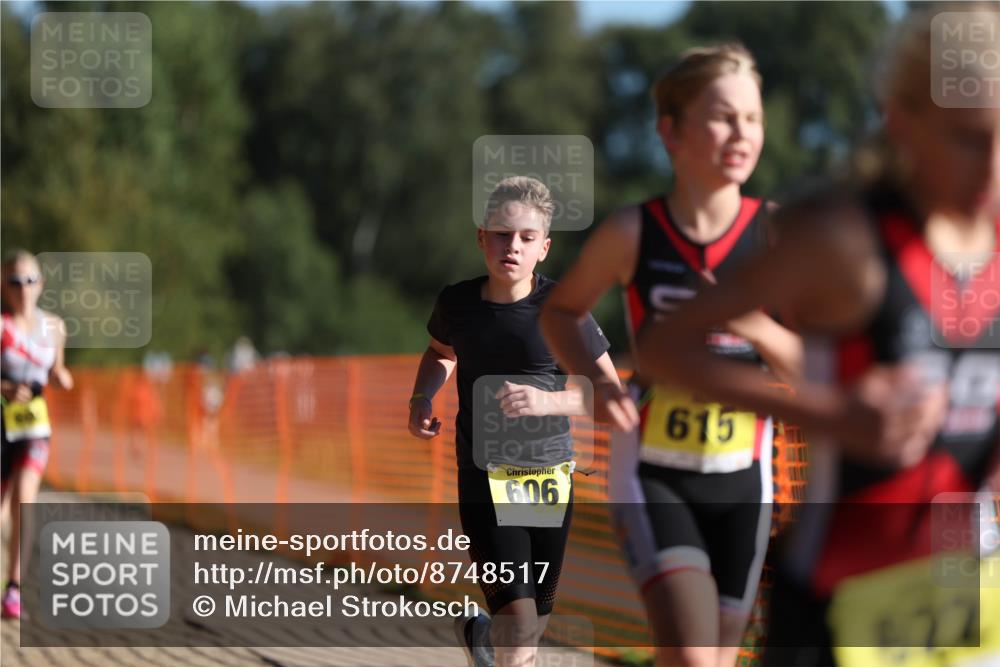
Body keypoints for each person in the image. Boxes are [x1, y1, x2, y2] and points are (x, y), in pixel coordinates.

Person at [634, 5, 1000, 665]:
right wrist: (833, 413)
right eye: (970, 139)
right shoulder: (844, 238)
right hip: (837, 609)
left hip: (960, 598)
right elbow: (664, 347)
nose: (993, 167)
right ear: (904, 121)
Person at [540, 44, 802, 667]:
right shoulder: (634, 232)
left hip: (746, 478)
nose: (741, 133)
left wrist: (754, 325)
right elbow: (561, 311)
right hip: (654, 473)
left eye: (753, 118)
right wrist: (601, 382)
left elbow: (813, 365)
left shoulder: (780, 238)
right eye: (722, 116)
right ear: (672, 132)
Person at [408, 176, 622, 667]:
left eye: (527, 238)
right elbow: (440, 354)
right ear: (481, 237)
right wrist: (422, 397)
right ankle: (498, 643)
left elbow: (612, 395)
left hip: (548, 480)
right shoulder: (456, 304)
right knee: (521, 632)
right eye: (503, 234)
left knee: (531, 626)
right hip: (483, 477)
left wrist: (550, 403)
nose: (513, 246)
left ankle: (483, 639)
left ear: (544, 248)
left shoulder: (563, 311)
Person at [0, 249, 74, 619]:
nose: (23, 288)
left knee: (25, 499)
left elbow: (58, 370)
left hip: (34, 427)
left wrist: (61, 377)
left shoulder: (55, 327)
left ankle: (14, 587)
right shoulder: (2, 327)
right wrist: (5, 388)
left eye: (30, 280)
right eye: (15, 281)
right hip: (2, 424)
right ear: (4, 286)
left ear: (41, 284)